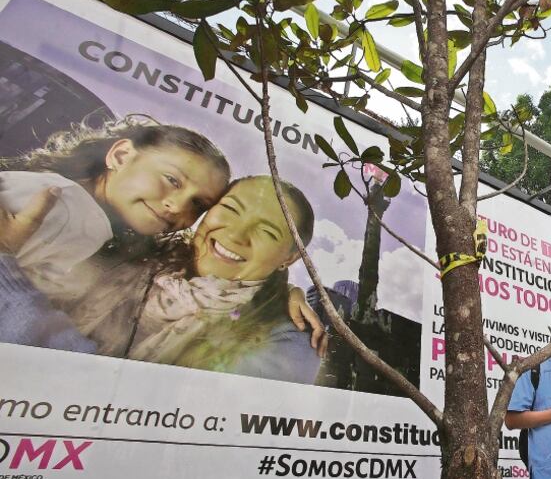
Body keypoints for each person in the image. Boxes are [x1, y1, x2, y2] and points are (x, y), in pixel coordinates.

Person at [0, 176, 324, 384]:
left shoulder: (287, 340)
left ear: (289, 258)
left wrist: (5, 270)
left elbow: (90, 396)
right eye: (230, 209)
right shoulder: (140, 259)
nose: (237, 234)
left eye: (267, 232)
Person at [0, 117, 230, 299]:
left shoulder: (86, 220)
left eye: (198, 204)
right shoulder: (57, 205)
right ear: (121, 156)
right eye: (172, 180)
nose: (178, 206)